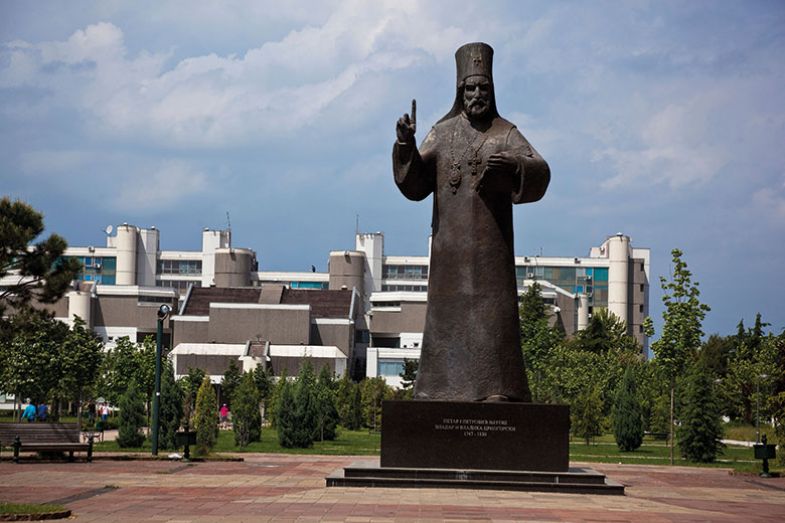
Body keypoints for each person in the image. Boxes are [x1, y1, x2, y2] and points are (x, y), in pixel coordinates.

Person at [393, 42, 550, 402]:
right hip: (449, 256)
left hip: (491, 253)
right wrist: (405, 145)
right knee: (445, 322)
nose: (477, 95)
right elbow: (415, 185)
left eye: (483, 88)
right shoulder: (442, 132)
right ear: (459, 91)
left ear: (492, 92)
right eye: (470, 88)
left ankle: (500, 390)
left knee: (494, 322)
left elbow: (541, 171)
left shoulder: (505, 133)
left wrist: (514, 165)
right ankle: (436, 391)